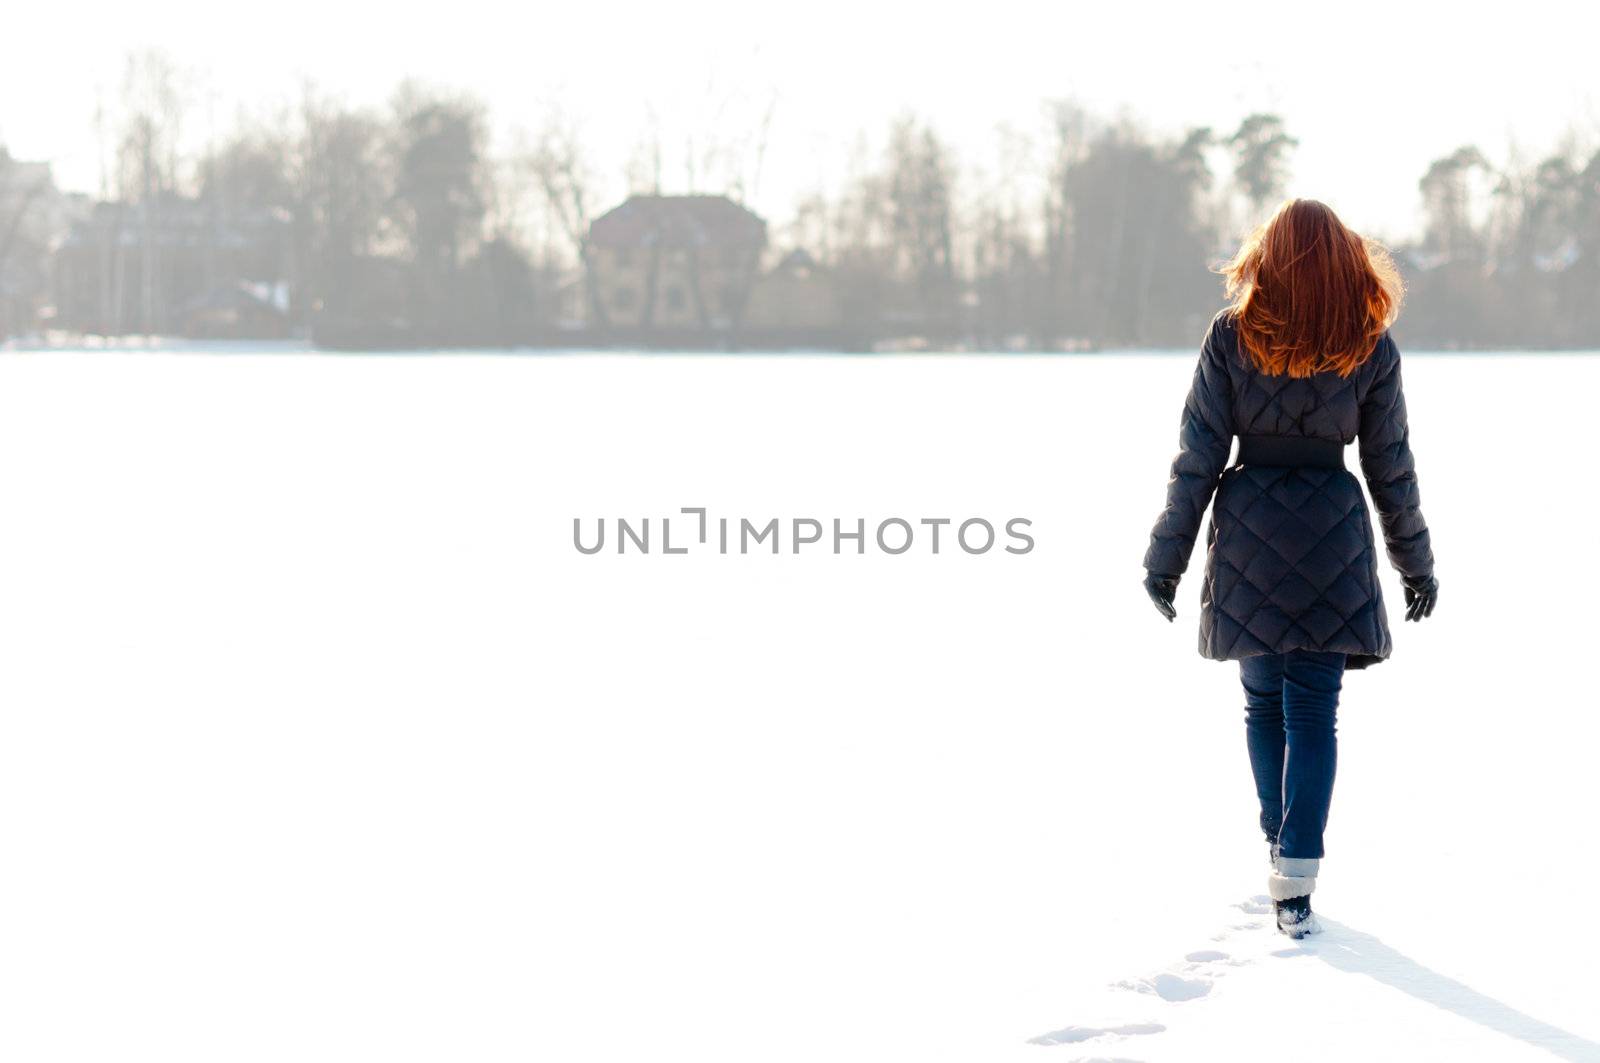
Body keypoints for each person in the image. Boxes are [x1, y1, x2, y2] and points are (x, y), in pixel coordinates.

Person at [1142, 198, 1439, 939]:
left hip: (1247, 532)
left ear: (1266, 259)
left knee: (1263, 704)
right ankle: (1296, 870)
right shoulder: (1369, 343)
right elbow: (1390, 467)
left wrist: (1166, 558)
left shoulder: (1231, 336)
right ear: (1347, 261)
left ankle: (1280, 841)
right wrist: (1415, 562)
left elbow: (1198, 457)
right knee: (1313, 710)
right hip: (1333, 534)